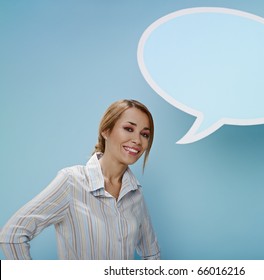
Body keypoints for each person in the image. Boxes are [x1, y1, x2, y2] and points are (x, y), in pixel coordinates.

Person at [0, 99, 160, 260]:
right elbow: (12, 236)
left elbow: (152, 254)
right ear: (106, 131)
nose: (137, 140)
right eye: (128, 128)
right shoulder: (71, 181)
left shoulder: (135, 194)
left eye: (145, 134)